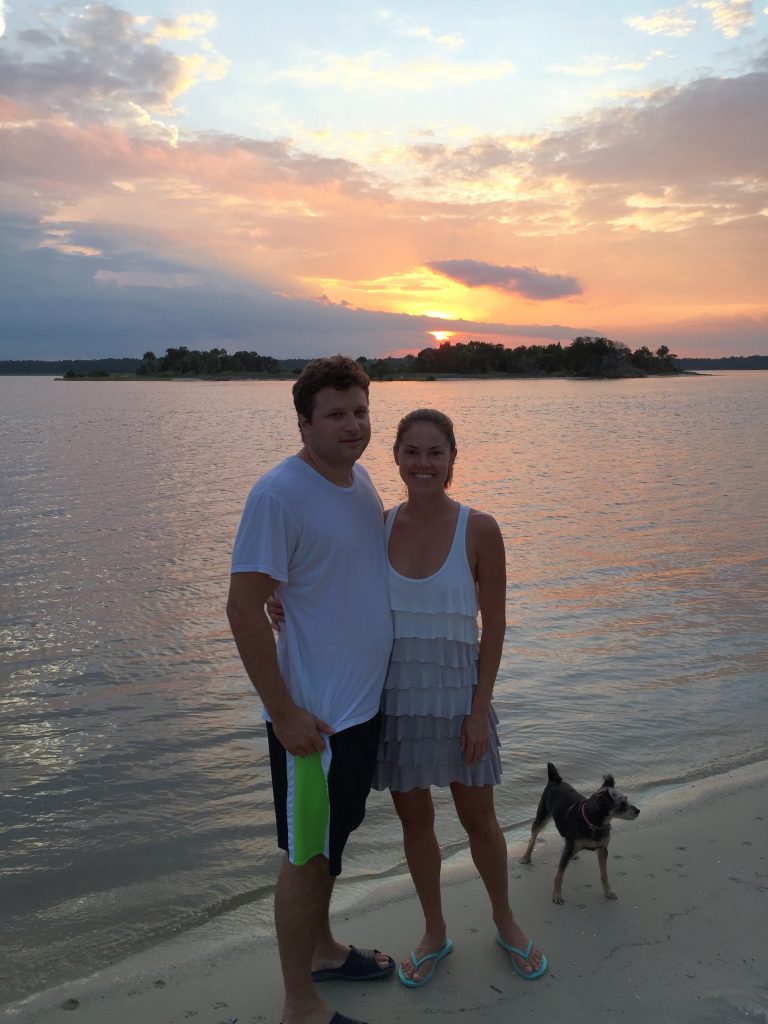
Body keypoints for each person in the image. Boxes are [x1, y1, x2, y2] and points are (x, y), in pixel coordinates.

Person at [226, 356, 396, 1024]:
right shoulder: (278, 494)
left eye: (360, 411)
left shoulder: (359, 484)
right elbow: (243, 607)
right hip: (313, 723)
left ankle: (323, 949)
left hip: (359, 710)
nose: (353, 425)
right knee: (305, 857)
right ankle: (301, 1005)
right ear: (304, 422)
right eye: (336, 414)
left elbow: (334, 576)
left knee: (334, 842)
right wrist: (284, 712)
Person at [373, 408, 547, 987]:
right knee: (416, 825)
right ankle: (434, 932)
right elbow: (337, 598)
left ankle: (506, 922)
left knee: (480, 821)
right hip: (396, 702)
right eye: (412, 453)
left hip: (459, 701)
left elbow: (493, 626)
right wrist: (282, 607)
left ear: (452, 460)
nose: (423, 464)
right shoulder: (378, 526)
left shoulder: (480, 529)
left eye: (434, 453)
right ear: (395, 457)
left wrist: (478, 710)